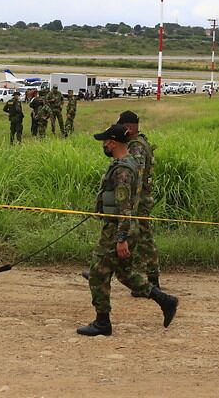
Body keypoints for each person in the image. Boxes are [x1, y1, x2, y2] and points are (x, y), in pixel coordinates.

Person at [77, 124, 178, 337]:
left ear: (112, 143)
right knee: (125, 273)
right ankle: (165, 300)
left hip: (117, 229)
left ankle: (102, 322)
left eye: (105, 141)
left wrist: (121, 239)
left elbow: (125, 207)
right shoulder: (128, 163)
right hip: (122, 227)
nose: (103, 145)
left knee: (97, 273)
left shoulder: (123, 170)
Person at [118, 110, 160, 291]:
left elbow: (137, 174)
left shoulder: (136, 146)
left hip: (139, 200)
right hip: (141, 199)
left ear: (129, 127)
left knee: (143, 238)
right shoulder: (140, 141)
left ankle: (152, 280)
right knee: (137, 236)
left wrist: (131, 202)